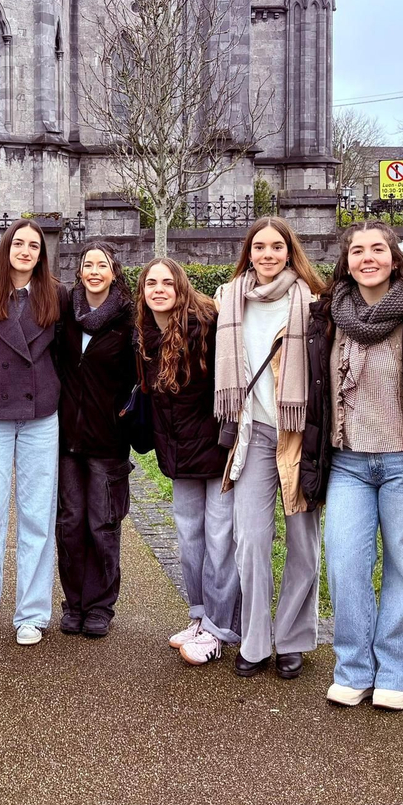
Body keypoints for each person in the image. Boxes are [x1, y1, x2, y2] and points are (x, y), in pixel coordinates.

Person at [300, 221, 403, 711]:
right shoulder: (327, 315)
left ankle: (397, 671)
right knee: (345, 566)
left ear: (394, 256)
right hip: (346, 464)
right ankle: (354, 669)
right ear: (347, 259)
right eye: (357, 250)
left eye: (377, 248)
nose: (367, 257)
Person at [214, 217, 326, 681]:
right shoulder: (229, 298)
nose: (267, 255)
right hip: (252, 432)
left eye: (276, 247)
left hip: (298, 432)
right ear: (248, 252)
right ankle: (256, 641)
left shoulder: (312, 301)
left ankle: (294, 639)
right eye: (259, 247)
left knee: (302, 541)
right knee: (251, 539)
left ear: (289, 251)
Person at [0, 221, 63, 647]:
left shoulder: (58, 294)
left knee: (38, 517)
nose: (25, 250)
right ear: (6, 247)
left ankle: (32, 614)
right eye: (18, 242)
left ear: (42, 253)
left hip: (40, 414)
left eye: (33, 245)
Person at [139, 257, 237, 666]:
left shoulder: (207, 327)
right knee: (189, 539)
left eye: (167, 282)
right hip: (179, 455)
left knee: (220, 539)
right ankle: (199, 616)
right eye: (150, 284)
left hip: (215, 450)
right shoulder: (146, 335)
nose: (159, 289)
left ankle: (219, 627)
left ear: (181, 287)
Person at [55, 242, 137, 638]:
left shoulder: (127, 318)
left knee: (102, 524)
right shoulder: (65, 314)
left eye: (101, 264)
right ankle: (74, 604)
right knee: (70, 523)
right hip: (68, 438)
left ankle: (100, 607)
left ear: (113, 271)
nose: (93, 271)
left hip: (108, 439)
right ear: (80, 272)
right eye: (87, 264)